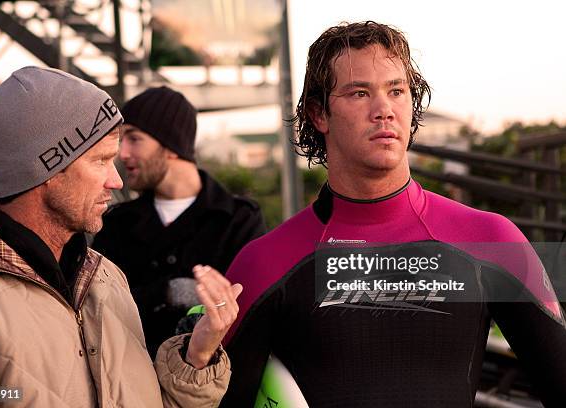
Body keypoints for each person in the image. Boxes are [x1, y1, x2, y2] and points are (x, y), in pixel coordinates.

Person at [220, 21, 566, 407]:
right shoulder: (264, 263)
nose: (383, 109)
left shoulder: (491, 240)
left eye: (396, 91)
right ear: (319, 114)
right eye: (359, 93)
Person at [0, 66, 241, 407]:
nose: (116, 181)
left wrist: (197, 356)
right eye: (100, 161)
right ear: (46, 168)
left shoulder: (106, 278)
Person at [93, 86, 266, 357]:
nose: (122, 153)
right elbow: (98, 305)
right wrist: (166, 292)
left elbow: (250, 308)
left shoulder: (238, 219)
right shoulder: (116, 223)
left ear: (171, 148)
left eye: (134, 139)